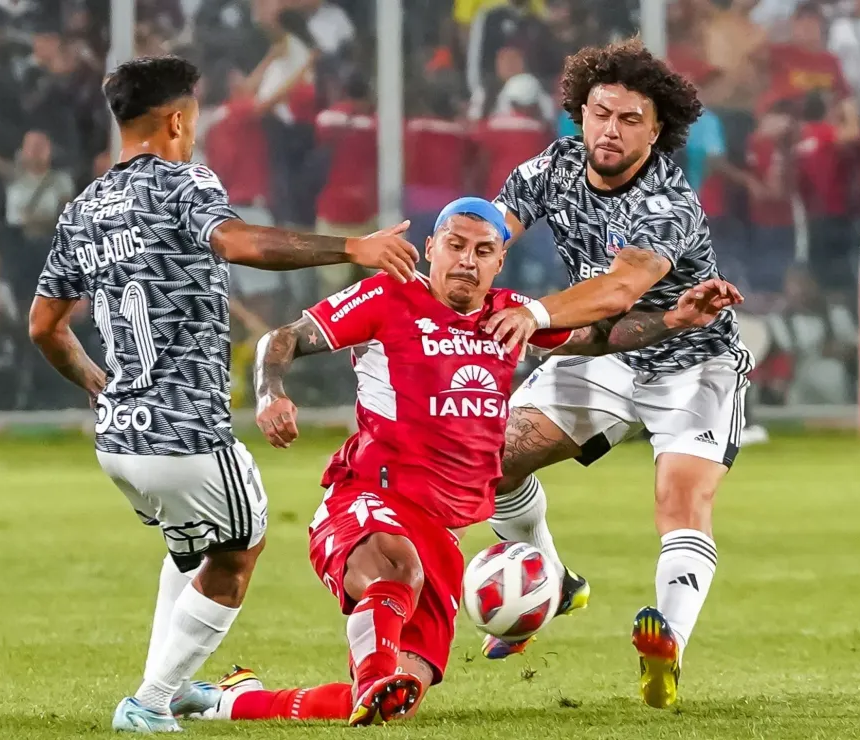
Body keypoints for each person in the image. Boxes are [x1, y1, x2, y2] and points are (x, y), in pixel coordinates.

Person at [198, 197, 740, 726]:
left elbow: (598, 337)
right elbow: (284, 338)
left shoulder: (512, 317)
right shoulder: (388, 297)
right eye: (455, 245)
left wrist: (673, 317)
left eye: (483, 251)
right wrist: (271, 393)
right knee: (395, 570)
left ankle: (228, 700)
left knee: (396, 700)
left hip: (441, 534)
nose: (467, 260)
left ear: (499, 261)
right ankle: (373, 674)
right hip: (368, 498)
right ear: (430, 247)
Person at [26, 55, 419, 734]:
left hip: (119, 438)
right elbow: (236, 241)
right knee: (243, 543)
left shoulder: (83, 208)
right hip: (186, 433)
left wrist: (97, 382)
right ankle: (148, 703)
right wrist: (351, 246)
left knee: (191, 551)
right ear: (178, 119)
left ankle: (167, 689)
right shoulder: (186, 183)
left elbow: (43, 326)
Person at [475, 39, 751, 711]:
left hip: (694, 363)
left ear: (657, 131)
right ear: (580, 112)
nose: (610, 129)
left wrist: (532, 313)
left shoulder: (666, 203)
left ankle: (668, 646)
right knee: (493, 460)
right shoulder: (555, 164)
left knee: (680, 500)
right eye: (600, 113)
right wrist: (462, 263)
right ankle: (557, 583)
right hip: (605, 358)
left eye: (630, 120)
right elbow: (492, 227)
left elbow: (617, 291)